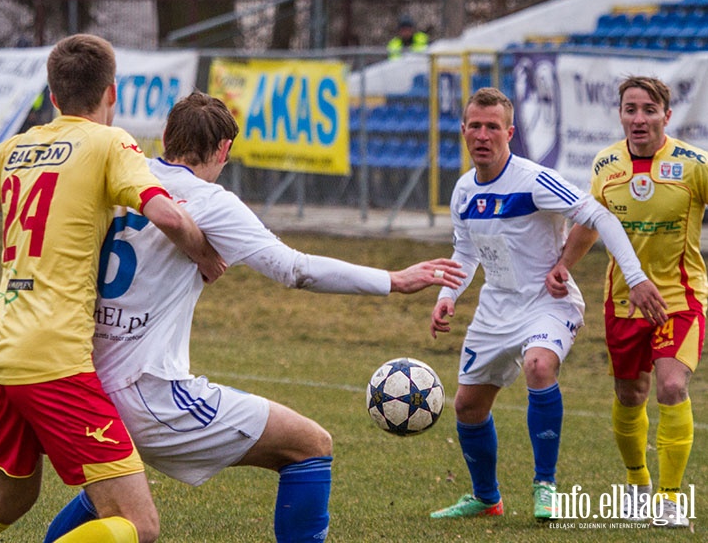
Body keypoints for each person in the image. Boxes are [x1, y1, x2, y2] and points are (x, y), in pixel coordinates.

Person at [42, 91, 468, 543]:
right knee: (310, 446)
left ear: (166, 136)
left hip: (86, 388)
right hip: (149, 392)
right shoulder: (210, 201)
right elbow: (294, 269)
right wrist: (393, 279)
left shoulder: (119, 179)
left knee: (112, 498)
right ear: (224, 150)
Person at [0, 34, 226, 543]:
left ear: (51, 94)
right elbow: (164, 213)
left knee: (9, 499)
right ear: (112, 93)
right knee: (139, 524)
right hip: (55, 362)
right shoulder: (111, 143)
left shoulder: (21, 145)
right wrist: (204, 253)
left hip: (0, 357)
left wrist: (10, 196)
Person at [428, 87, 664, 521]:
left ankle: (546, 487)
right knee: (467, 406)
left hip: (547, 304)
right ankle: (486, 499)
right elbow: (465, 252)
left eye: (492, 127)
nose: (483, 135)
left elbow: (599, 217)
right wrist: (447, 296)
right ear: (463, 131)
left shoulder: (534, 179)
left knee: (539, 366)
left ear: (510, 132)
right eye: (475, 126)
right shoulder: (463, 191)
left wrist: (635, 278)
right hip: (495, 309)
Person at [546, 76, 703, 528]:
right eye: (630, 109)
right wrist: (563, 265)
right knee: (629, 394)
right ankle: (638, 483)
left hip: (680, 298)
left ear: (666, 116)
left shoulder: (694, 166)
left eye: (649, 110)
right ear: (620, 115)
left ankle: (670, 500)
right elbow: (591, 224)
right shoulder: (606, 164)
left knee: (671, 387)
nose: (639, 118)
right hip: (623, 302)